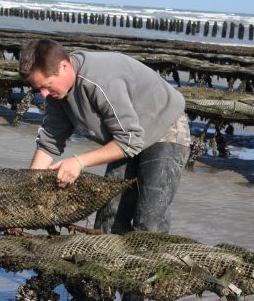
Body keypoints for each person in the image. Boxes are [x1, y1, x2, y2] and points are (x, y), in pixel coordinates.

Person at [19, 39, 190, 234]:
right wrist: (29, 190)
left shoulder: (100, 81)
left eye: (47, 86)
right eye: (38, 88)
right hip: (126, 136)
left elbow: (130, 141)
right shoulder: (57, 94)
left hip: (165, 127)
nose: (43, 94)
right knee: (109, 219)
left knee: (149, 222)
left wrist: (78, 162)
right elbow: (49, 141)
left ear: (64, 67)